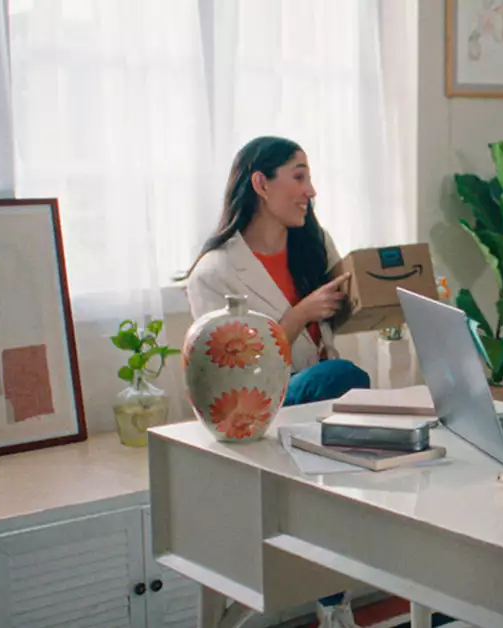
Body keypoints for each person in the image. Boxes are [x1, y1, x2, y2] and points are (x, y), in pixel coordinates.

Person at [182, 137, 369, 625]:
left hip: (322, 410)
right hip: (264, 411)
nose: (312, 190)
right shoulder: (215, 272)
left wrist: (384, 296)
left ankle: (335, 595)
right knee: (346, 377)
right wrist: (298, 314)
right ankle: (334, 601)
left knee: (352, 387)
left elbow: (337, 325)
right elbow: (225, 368)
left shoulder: (313, 244)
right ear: (261, 184)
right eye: (300, 176)